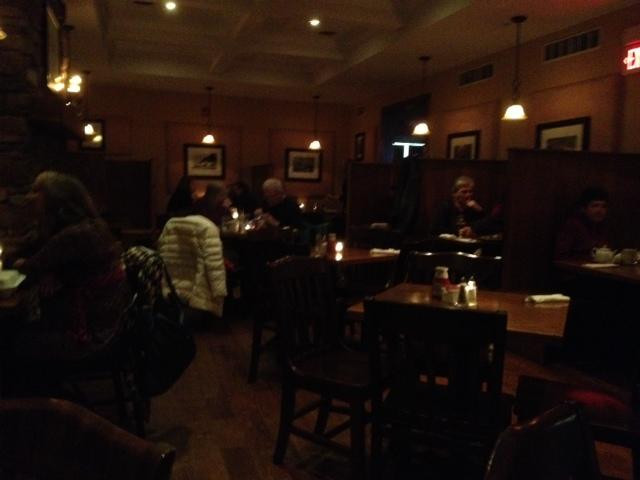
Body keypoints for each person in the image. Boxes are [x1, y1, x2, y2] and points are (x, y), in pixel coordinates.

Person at [13, 171, 130, 364]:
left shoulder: (74, 235)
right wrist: (52, 272)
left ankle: (42, 383)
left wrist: (28, 266)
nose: (28, 197)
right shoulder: (91, 226)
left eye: (36, 191)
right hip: (101, 323)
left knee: (13, 339)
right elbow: (41, 258)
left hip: (86, 334)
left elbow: (26, 270)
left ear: (56, 200)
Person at [554, 187, 609, 260]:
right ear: (583, 208)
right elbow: (561, 256)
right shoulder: (573, 225)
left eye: (604, 206)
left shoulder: (602, 226)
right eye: (595, 206)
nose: (600, 210)